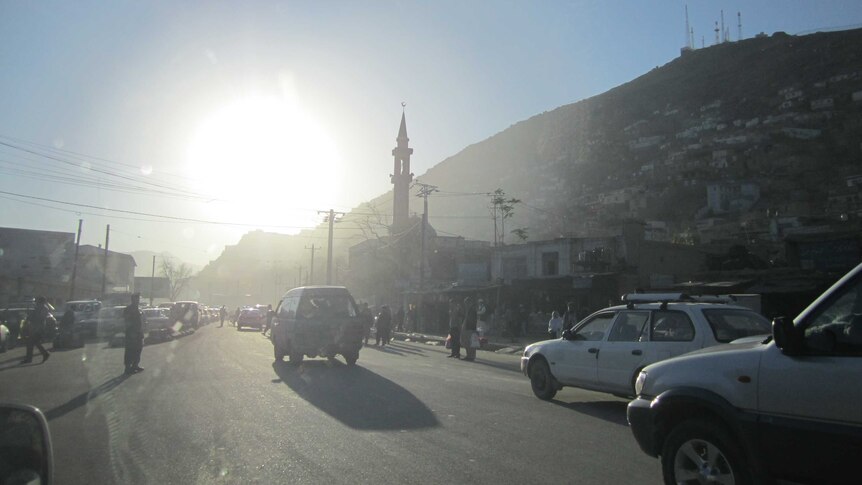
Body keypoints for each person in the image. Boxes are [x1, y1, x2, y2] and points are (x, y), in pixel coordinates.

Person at [20, 297, 51, 364]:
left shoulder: (44, 308)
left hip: (38, 328)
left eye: (37, 301)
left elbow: (40, 318)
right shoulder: (39, 307)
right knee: (34, 342)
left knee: (32, 342)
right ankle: (42, 354)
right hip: (35, 327)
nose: (36, 302)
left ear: (41, 302)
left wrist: (31, 317)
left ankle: (32, 358)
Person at [123, 293, 144, 375]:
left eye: (139, 299)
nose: (138, 300)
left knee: (138, 350)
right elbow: (127, 322)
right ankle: (128, 368)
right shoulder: (128, 309)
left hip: (139, 333)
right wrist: (131, 332)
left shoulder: (139, 309)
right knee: (130, 350)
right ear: (133, 299)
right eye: (136, 299)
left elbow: (141, 321)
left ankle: (135, 365)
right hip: (131, 334)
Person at [460, 296, 478, 361]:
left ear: (470, 302)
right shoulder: (468, 310)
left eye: (466, 303)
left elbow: (471, 320)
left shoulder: (472, 310)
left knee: (470, 343)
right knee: (468, 343)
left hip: (470, 328)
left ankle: (470, 356)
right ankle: (469, 356)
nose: (466, 305)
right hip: (468, 328)